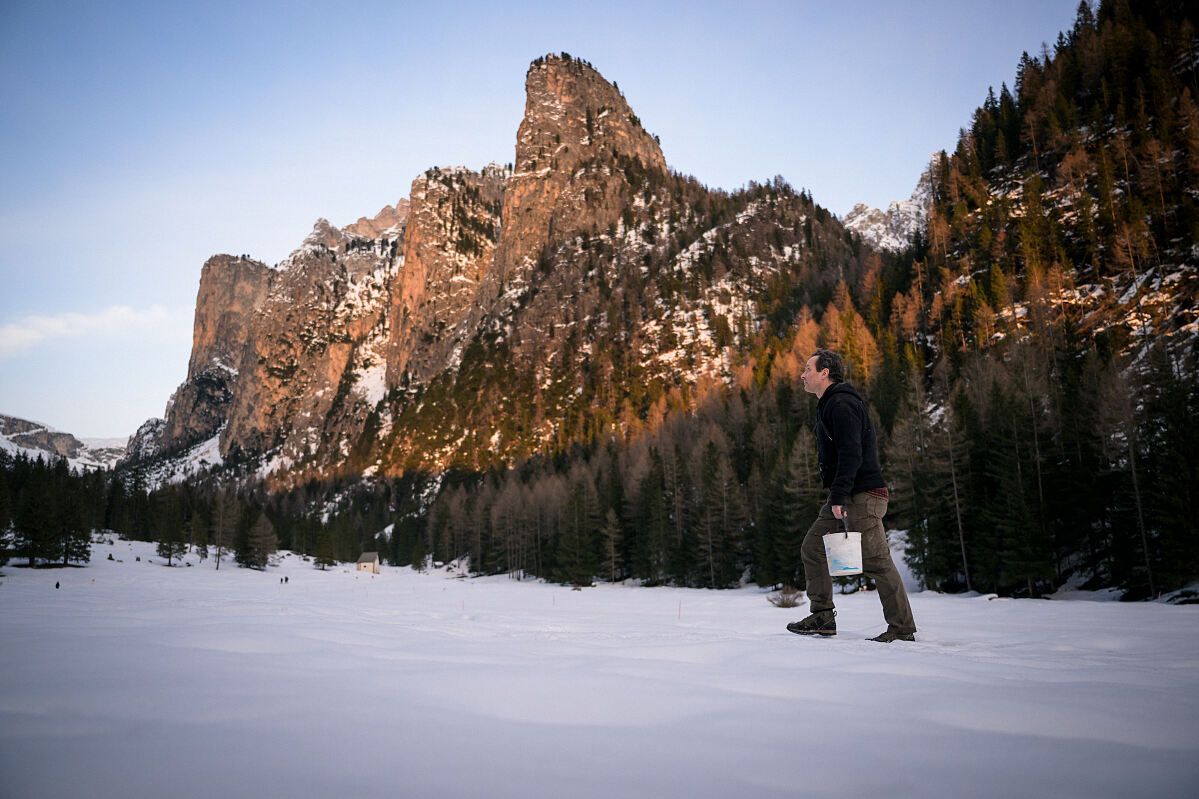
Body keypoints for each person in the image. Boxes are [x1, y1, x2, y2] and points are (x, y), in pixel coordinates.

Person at [787, 349, 917, 642]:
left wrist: (839, 496)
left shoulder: (842, 403)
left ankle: (902, 629)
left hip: (860, 495)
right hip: (847, 494)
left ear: (824, 373)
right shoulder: (831, 404)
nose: (802, 374)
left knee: (877, 562)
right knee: (813, 547)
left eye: (807, 368)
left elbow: (851, 453)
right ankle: (822, 616)